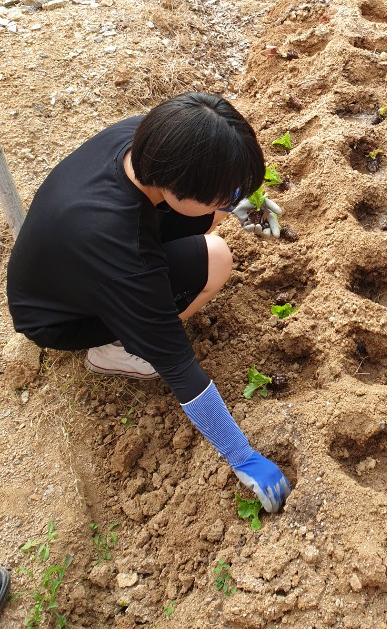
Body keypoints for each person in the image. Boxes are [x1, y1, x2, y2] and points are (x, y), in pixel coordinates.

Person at [6, 92, 290, 511]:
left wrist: (237, 202)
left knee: (205, 220)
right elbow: (179, 365)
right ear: (177, 181)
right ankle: (119, 348)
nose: (227, 202)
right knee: (217, 259)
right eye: (222, 193)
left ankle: (130, 325)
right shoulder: (123, 255)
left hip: (63, 268)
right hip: (62, 317)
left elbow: (199, 194)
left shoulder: (152, 138)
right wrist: (241, 455)